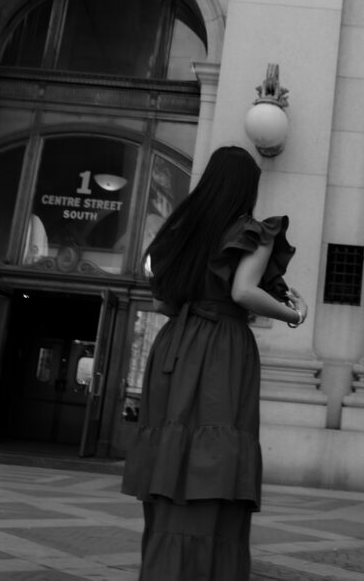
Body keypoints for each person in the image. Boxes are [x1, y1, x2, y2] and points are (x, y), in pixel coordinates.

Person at [121, 145, 308, 581]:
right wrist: (292, 314)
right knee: (215, 464)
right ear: (248, 187)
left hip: (175, 346)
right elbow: (243, 291)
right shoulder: (254, 231)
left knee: (173, 462)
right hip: (222, 349)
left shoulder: (180, 230)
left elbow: (162, 302)